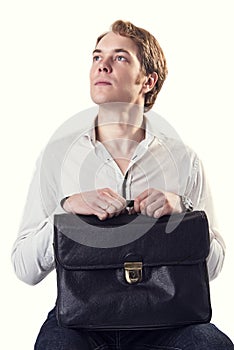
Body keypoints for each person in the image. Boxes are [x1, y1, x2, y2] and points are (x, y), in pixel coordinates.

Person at [12, 20, 234, 349]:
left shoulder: (184, 160)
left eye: (120, 57)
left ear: (148, 80)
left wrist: (183, 212)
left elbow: (213, 267)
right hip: (80, 322)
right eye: (96, 56)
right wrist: (66, 210)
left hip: (166, 319)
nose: (102, 64)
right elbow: (24, 268)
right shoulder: (58, 156)